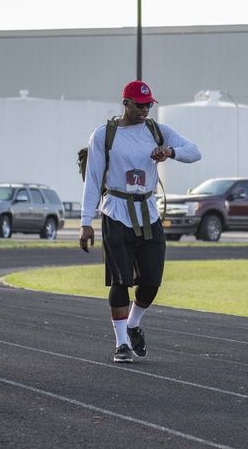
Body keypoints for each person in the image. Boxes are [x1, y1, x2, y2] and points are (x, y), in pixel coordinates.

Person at [79, 81, 201, 364]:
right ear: (126, 104)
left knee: (151, 281)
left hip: (148, 213)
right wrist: (86, 222)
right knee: (120, 281)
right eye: (139, 105)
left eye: (148, 105)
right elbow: (93, 180)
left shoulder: (157, 132)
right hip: (116, 213)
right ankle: (121, 343)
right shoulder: (103, 135)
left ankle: (133, 325)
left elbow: (195, 151)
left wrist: (170, 152)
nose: (145, 109)